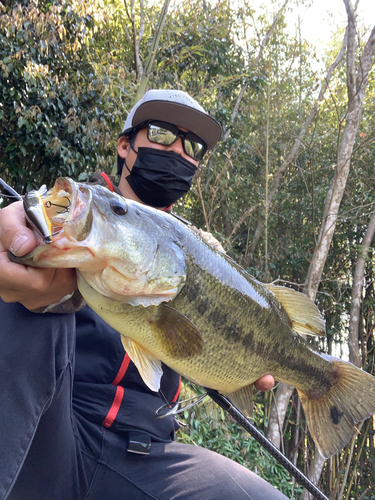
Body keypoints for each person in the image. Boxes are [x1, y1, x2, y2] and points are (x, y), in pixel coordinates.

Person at [0, 89, 284, 500]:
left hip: (151, 457)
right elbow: (17, 229)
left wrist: (235, 361)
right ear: (125, 146)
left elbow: (206, 352)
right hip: (55, 431)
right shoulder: (71, 211)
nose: (179, 151)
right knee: (20, 304)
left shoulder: (208, 255)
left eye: (193, 146)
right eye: (163, 133)